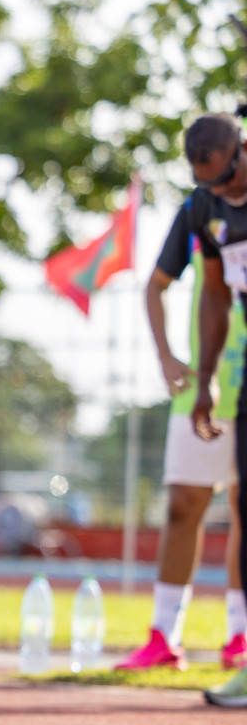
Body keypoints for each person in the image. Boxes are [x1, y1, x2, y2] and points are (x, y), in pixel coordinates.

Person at [118, 194, 247, 672]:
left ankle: (240, 635)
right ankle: (164, 637)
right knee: (182, 507)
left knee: (242, 508)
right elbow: (155, 285)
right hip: (201, 388)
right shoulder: (198, 210)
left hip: (244, 385)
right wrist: (167, 356)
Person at [185, 112, 247, 706]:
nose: (224, 189)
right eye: (211, 183)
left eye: (230, 177)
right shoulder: (208, 211)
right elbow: (215, 296)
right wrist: (205, 382)